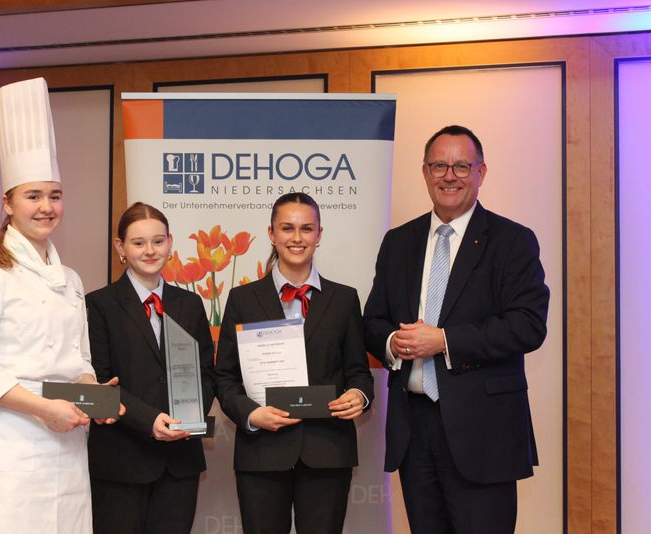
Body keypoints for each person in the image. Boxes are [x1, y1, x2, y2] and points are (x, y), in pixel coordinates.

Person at [0, 77, 122, 534]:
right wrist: (45, 409)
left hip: (65, 452)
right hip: (5, 450)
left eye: (55, 196)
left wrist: (93, 394)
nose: (46, 207)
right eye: (33, 196)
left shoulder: (71, 280)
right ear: (7, 203)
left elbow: (79, 361)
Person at [363, 125, 550, 534]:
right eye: (439, 166)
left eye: (461, 166)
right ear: (425, 172)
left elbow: (528, 325)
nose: (449, 176)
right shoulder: (398, 242)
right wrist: (395, 342)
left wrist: (444, 341)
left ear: (481, 172)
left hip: (484, 431)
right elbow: (373, 321)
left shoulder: (512, 241)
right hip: (414, 430)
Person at [216, 192, 374, 534]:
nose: (297, 238)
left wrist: (359, 396)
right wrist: (251, 414)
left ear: (319, 234)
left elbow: (358, 372)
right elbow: (225, 377)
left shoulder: (344, 299)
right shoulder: (242, 299)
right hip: (261, 452)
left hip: (328, 450)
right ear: (272, 234)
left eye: (306, 228)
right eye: (287, 228)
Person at [86, 202, 217, 534]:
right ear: (121, 247)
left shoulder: (190, 304)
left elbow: (206, 372)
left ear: (170, 243)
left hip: (180, 460)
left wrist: (190, 416)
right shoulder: (98, 305)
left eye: (158, 241)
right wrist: (149, 420)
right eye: (138, 242)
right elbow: (99, 381)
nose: (150, 251)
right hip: (120, 459)